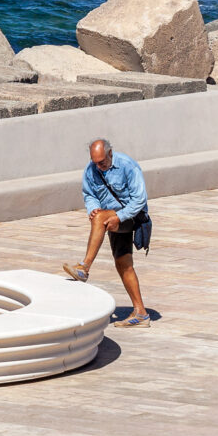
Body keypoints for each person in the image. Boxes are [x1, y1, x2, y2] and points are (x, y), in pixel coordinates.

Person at [63, 139, 150, 326]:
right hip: (111, 217)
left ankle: (84, 267)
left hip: (131, 216)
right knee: (123, 264)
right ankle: (141, 313)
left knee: (100, 218)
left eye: (102, 162)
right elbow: (89, 194)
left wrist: (118, 217)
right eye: (95, 162)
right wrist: (93, 208)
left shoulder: (128, 166)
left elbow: (139, 200)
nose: (98, 167)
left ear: (110, 153)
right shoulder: (90, 170)